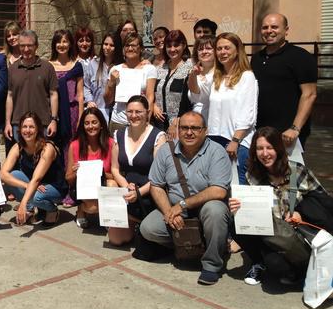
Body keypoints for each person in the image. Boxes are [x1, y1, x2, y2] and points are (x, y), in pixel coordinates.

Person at [140, 111, 232, 285]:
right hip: (175, 208)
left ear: (205, 131)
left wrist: (182, 205)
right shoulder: (166, 150)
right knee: (148, 228)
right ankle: (188, 246)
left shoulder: (217, 152)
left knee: (215, 211)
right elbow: (156, 185)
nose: (189, 132)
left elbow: (219, 191)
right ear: (178, 129)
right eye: (184, 128)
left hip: (205, 207)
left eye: (195, 128)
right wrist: (168, 212)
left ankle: (211, 265)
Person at [229, 126, 325, 286]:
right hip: (269, 235)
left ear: (279, 148)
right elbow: (249, 213)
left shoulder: (298, 171)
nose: (264, 153)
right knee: (235, 223)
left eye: (269, 147)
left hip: (298, 236)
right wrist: (238, 207)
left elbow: (323, 203)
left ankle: (305, 270)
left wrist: (300, 213)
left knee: (279, 265)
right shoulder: (252, 176)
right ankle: (259, 262)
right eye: (260, 148)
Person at [191, 33, 258, 184]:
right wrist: (193, 75)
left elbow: (248, 114)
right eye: (219, 48)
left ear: (237, 51)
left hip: (236, 141)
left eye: (227, 48)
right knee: (217, 185)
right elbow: (198, 95)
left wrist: (235, 140)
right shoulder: (217, 77)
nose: (222, 52)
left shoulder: (246, 76)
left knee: (237, 186)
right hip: (214, 139)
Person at [251, 13, 317, 148]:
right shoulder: (256, 58)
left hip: (288, 133)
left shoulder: (300, 56)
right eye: (265, 27)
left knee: (287, 163)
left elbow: (309, 94)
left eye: (274, 27)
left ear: (286, 30)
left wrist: (295, 128)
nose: (269, 31)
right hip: (260, 131)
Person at [109, 95, 166, 245]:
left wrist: (139, 192)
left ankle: (144, 225)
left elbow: (161, 176)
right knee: (115, 239)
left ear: (147, 113)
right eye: (130, 111)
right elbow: (115, 168)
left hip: (150, 194)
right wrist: (126, 186)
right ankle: (134, 224)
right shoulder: (119, 134)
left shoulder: (158, 137)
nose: (133, 115)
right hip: (128, 194)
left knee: (146, 237)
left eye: (138, 112)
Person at [1, 112, 66, 225]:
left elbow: (36, 179)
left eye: (31, 127)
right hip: (35, 185)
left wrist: (22, 204)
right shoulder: (18, 147)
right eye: (24, 127)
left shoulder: (47, 148)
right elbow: (3, 174)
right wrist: (26, 185)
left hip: (55, 187)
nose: (27, 130)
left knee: (37, 197)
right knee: (13, 175)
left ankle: (52, 210)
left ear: (38, 129)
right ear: (20, 129)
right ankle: (30, 208)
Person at [65, 107, 115, 229]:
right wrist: (76, 173)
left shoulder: (111, 143)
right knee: (93, 208)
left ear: (101, 125)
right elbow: (68, 179)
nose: (91, 126)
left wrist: (100, 172)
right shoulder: (75, 145)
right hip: (83, 187)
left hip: (103, 183)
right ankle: (81, 209)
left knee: (112, 184)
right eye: (86, 123)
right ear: (82, 126)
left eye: (94, 122)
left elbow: (116, 175)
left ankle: (108, 216)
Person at [4, 30, 58, 143]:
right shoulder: (13, 69)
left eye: (30, 45)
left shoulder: (47, 68)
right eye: (22, 46)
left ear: (36, 46)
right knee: (20, 154)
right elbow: (10, 96)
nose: (26, 49)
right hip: (18, 125)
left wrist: (54, 120)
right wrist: (8, 122)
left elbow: (53, 94)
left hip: (43, 124)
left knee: (43, 153)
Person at [105, 33, 156, 134]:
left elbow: (150, 97)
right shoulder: (115, 69)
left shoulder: (149, 69)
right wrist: (111, 82)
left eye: (134, 45)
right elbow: (108, 100)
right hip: (118, 121)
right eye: (127, 45)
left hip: (139, 121)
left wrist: (146, 120)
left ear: (141, 48)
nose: (130, 48)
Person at [153, 29, 193, 136]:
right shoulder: (160, 68)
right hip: (158, 123)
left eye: (176, 45)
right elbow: (152, 91)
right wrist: (153, 105)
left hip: (179, 125)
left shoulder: (190, 67)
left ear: (184, 45)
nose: (172, 49)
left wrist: (177, 121)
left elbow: (189, 99)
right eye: (169, 46)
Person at [49, 29, 84, 149]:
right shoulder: (49, 66)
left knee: (72, 143)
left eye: (65, 41)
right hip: (53, 112)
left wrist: (80, 117)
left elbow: (80, 94)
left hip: (72, 112)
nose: (61, 45)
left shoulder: (77, 66)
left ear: (70, 44)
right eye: (58, 42)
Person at [84, 32, 122, 123]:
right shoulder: (93, 63)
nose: (107, 47)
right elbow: (86, 86)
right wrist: (89, 101)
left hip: (115, 114)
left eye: (112, 45)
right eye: (105, 44)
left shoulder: (120, 66)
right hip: (96, 111)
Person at [187, 35, 216, 122]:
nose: (204, 51)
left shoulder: (220, 73)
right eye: (200, 49)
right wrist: (193, 75)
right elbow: (194, 93)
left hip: (214, 119)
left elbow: (202, 95)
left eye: (208, 48)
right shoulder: (193, 73)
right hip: (196, 120)